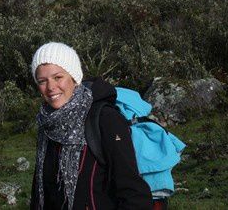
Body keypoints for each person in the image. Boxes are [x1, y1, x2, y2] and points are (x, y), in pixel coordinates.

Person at [30, 42, 154, 210]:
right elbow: (41, 191)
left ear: (74, 77)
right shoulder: (47, 124)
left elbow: (133, 192)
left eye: (58, 77)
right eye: (42, 81)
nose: (51, 87)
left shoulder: (104, 119)